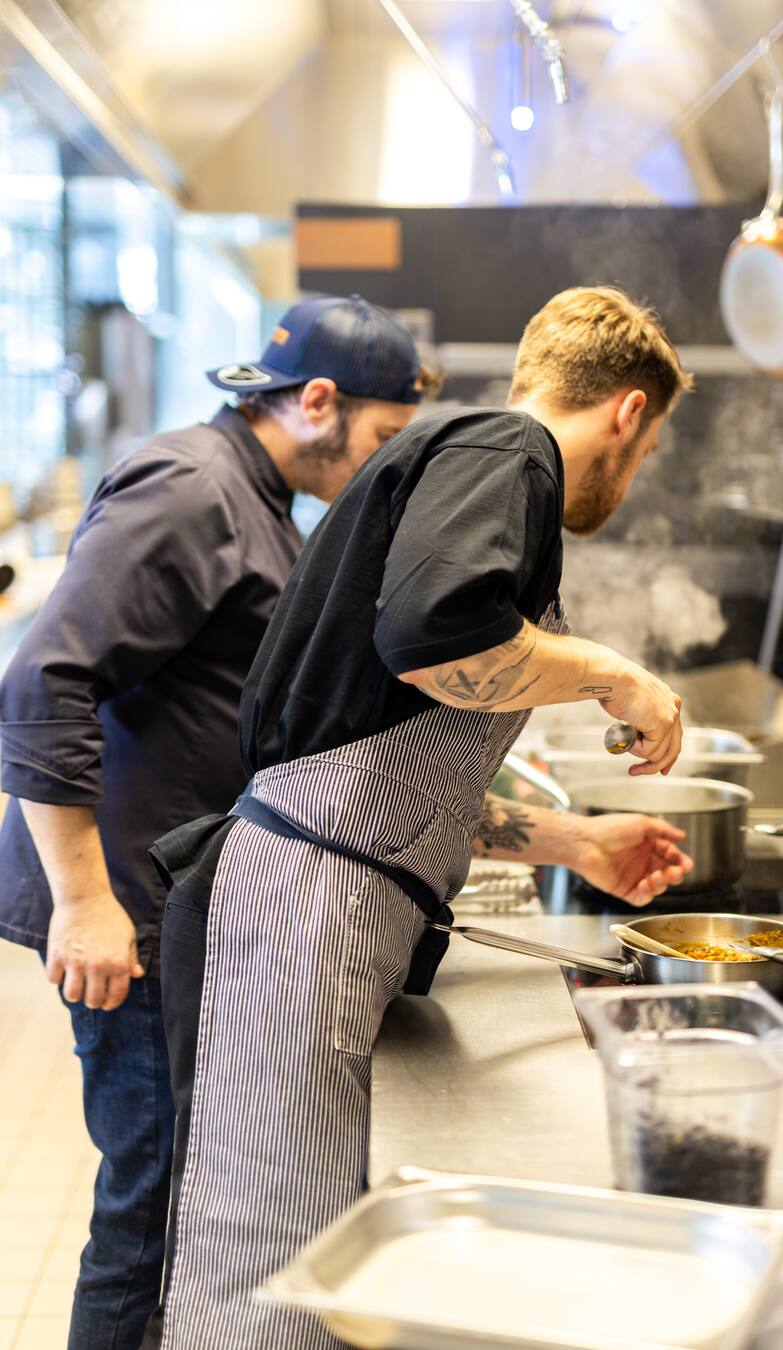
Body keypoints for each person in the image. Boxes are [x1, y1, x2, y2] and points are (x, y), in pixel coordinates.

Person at [149, 284, 695, 1350]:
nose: (634, 475)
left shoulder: (471, 460)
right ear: (629, 412)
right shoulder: (509, 448)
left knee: (302, 1247)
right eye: (649, 449)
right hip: (299, 915)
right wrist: (615, 675)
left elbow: (378, 773)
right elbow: (437, 644)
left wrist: (575, 842)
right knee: (267, 1264)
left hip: (317, 893)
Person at [0, 293, 436, 1350]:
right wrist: (85, 904)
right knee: (149, 1211)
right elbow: (41, 681)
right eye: (382, 435)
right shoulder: (193, 488)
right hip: (128, 912)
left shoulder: (258, 505)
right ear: (319, 401)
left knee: (169, 1199)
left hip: (168, 901)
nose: (382, 461)